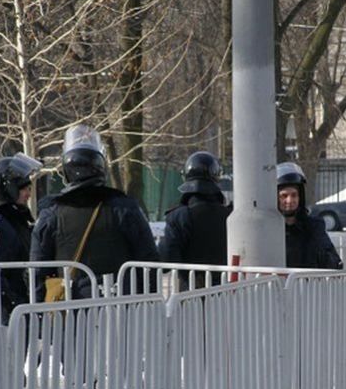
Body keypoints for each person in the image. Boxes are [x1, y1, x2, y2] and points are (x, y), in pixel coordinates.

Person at [30, 124, 159, 300]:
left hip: (70, 310)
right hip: (119, 307)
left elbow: (37, 270)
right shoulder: (123, 208)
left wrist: (38, 314)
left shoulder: (51, 213)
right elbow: (149, 260)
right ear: (100, 166)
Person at [0, 153, 42, 325]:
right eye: (23, 188)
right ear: (8, 188)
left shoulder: (16, 220)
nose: (28, 194)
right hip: (3, 313)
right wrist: (13, 304)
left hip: (18, 308)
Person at [159, 151, 231, 288]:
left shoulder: (179, 216)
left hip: (190, 294)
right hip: (225, 295)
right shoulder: (230, 216)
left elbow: (166, 260)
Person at [277, 162, 343, 269]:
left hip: (308, 284)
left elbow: (335, 262)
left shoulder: (313, 226)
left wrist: (323, 257)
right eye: (284, 196)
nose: (289, 200)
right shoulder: (269, 229)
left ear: (300, 197)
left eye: (294, 195)